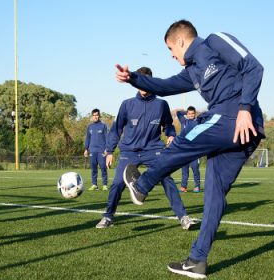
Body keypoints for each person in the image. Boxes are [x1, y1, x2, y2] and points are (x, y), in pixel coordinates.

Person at [117, 20, 265, 279]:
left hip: (236, 116)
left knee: (184, 141)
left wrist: (244, 109)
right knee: (214, 195)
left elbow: (254, 67)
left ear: (181, 40)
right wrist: (133, 78)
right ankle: (197, 261)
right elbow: (162, 85)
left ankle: (142, 185)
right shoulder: (192, 72)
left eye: (170, 49)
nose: (172, 56)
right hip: (235, 129)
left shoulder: (214, 41)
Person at [96, 67, 196, 230]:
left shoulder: (161, 104)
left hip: (154, 150)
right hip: (129, 151)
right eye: (139, 82)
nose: (142, 86)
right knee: (117, 183)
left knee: (167, 179)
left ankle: (183, 217)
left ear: (151, 82)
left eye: (146, 82)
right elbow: (116, 129)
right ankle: (108, 216)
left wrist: (170, 134)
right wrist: (109, 151)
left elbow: (168, 125)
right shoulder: (127, 104)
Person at [177, 106, 201, 193]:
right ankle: (183, 187)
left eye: (192, 113)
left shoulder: (197, 122)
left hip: (194, 150)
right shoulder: (184, 121)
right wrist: (185, 112)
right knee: (184, 170)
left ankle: (197, 186)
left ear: (195, 114)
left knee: (195, 168)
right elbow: (178, 113)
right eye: (189, 113)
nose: (191, 115)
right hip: (184, 150)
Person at [84, 109, 109, 191]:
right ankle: (94, 184)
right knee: (93, 169)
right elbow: (87, 138)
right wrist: (86, 149)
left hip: (101, 151)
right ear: (92, 116)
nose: (95, 117)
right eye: (94, 115)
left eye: (97, 115)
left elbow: (107, 138)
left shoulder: (103, 126)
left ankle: (104, 185)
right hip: (92, 151)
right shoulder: (89, 127)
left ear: (99, 116)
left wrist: (107, 149)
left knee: (103, 168)